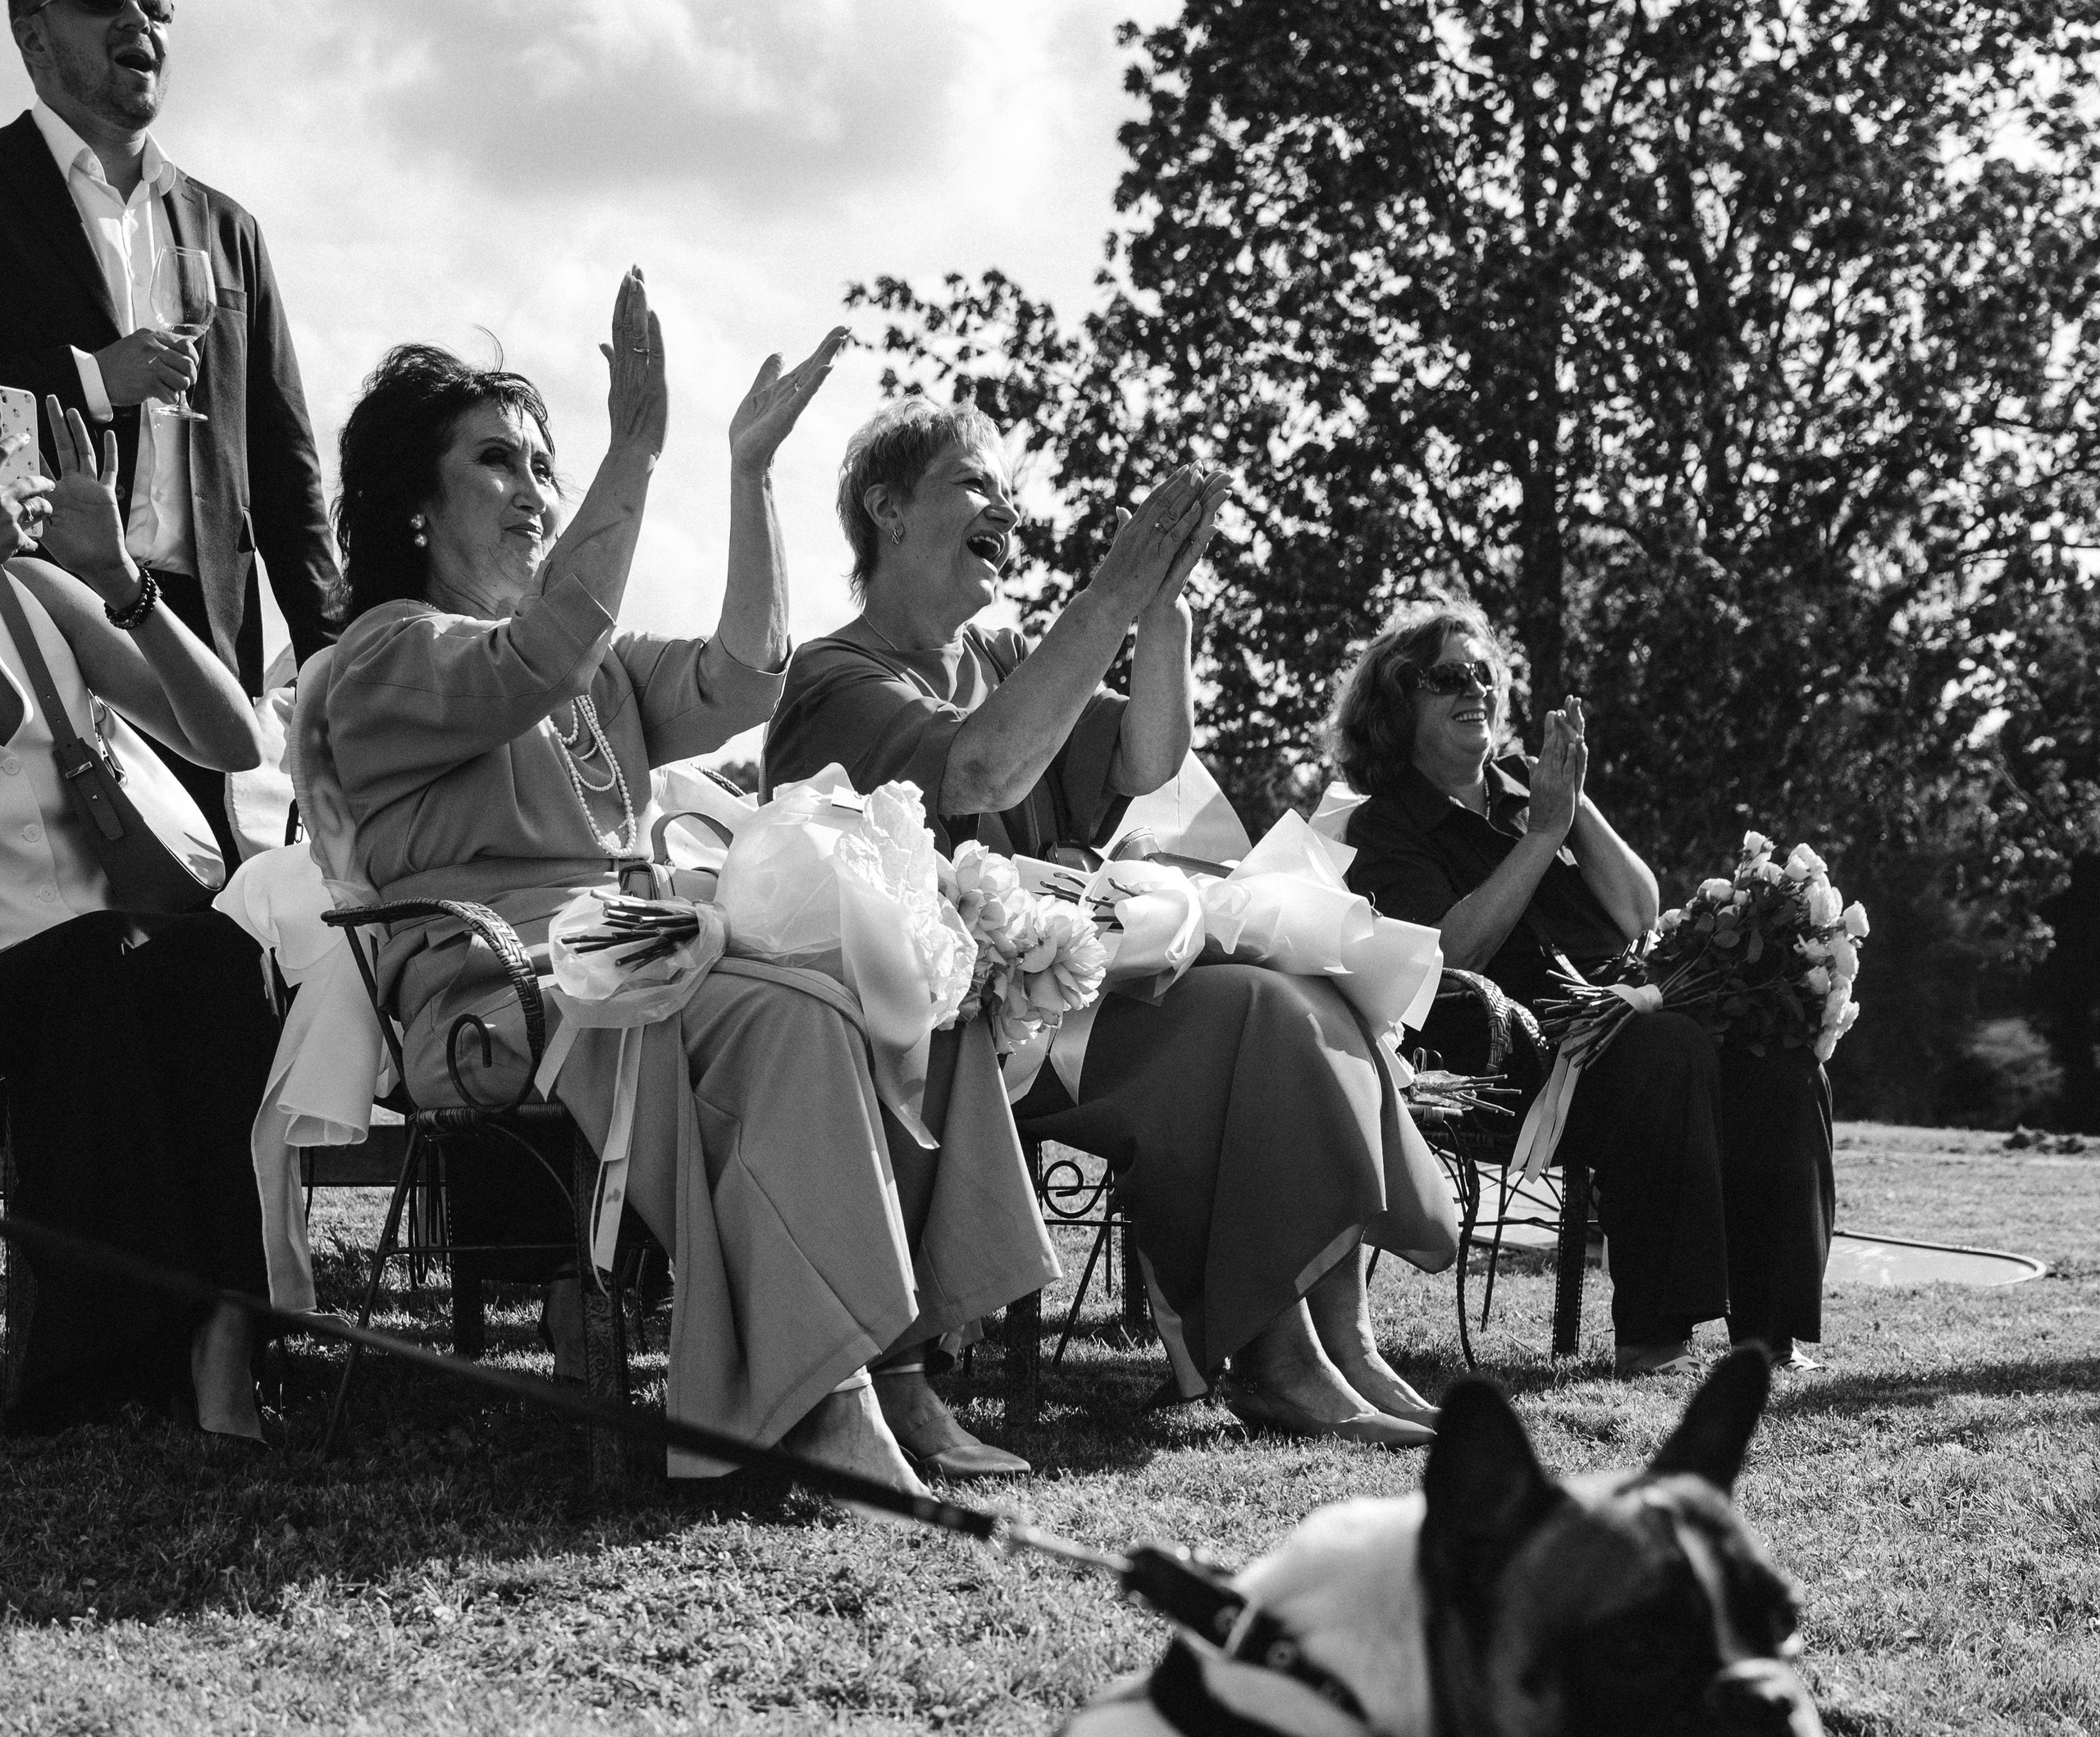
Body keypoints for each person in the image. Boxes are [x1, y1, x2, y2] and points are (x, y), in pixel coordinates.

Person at [322, 276, 1057, 1493]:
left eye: (543, 465)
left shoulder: (592, 661)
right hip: (496, 996)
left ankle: (899, 1364)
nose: (535, 489)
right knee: (790, 1011)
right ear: (413, 503)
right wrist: (633, 446)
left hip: (640, 962)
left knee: (898, 982)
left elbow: (744, 681)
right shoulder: (388, 655)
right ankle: (826, 1397)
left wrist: (748, 474)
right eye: (497, 460)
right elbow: (536, 656)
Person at [764, 398, 1462, 1449]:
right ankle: (1275, 1361)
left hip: (1069, 988)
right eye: (971, 480)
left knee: (1306, 993)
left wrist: (1163, 610)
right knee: (1255, 1021)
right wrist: (1112, 589)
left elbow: (1144, 762)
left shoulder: (1001, 654)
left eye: (1004, 482)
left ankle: (1330, 1344)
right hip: (951, 1037)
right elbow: (984, 768)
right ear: (887, 510)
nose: (1004, 501)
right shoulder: (833, 675)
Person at [1335, 604, 1834, 1374]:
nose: (1476, 689)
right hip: (1512, 1053)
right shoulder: (1385, 828)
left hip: (1626, 1013)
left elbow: (1638, 911)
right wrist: (1540, 838)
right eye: (1448, 677)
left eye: (1484, 675)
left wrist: (1571, 806)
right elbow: (1446, 953)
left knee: (1776, 1045)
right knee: (1667, 1046)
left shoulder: (1527, 796)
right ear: (1398, 703)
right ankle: (1653, 1333)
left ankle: (1770, 1335)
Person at [0, 0, 342, 864]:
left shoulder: (231, 231)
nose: (141, 26)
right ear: (30, 29)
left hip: (197, 634)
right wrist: (88, 379)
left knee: (213, 903)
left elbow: (284, 464)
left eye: (159, 8)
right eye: (108, 3)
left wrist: (336, 663)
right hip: (42, 613)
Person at [0, 403, 274, 1436]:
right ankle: (120, 1347)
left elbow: (230, 742)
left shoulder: (30, 590)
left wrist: (119, 583)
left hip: (106, 941)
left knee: (215, 957)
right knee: (90, 974)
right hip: (28, 961)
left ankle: (222, 1337)